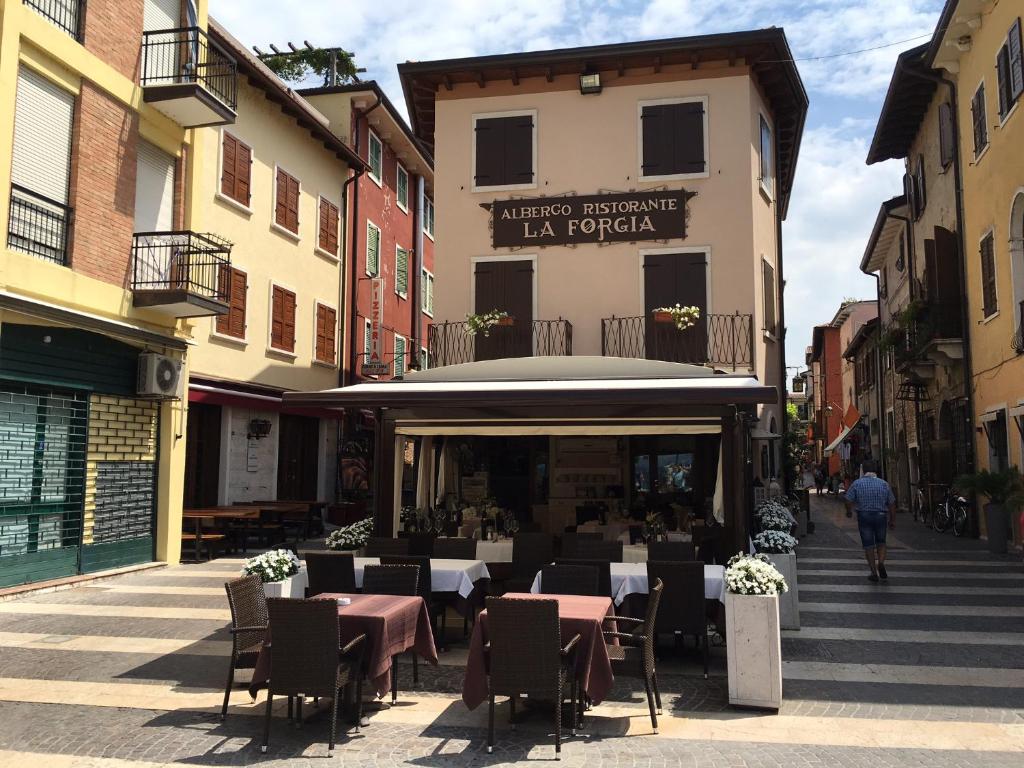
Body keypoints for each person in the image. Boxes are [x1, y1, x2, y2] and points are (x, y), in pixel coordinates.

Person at [843, 461, 896, 582]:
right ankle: (881, 562)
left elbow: (847, 499)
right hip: (881, 515)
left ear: (864, 470)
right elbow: (892, 503)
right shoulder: (884, 484)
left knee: (868, 545)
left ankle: (873, 572)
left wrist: (849, 511)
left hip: (864, 516)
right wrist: (892, 520)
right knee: (881, 542)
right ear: (876, 471)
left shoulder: (857, 484)